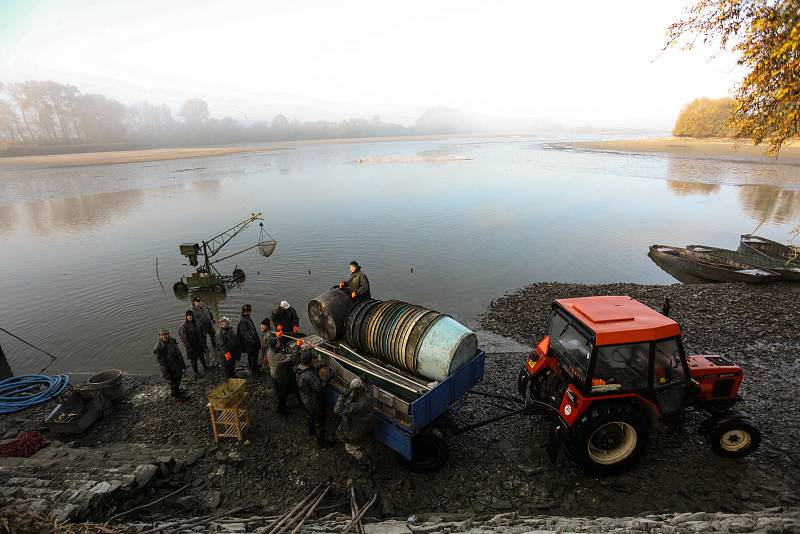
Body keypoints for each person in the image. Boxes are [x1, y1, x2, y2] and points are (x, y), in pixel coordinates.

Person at [295, 349, 333, 448]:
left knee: (310, 416)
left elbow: (310, 369)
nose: (315, 360)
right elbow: (320, 387)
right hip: (313, 401)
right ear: (310, 361)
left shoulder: (299, 368)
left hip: (305, 398)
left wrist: (319, 366)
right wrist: (328, 378)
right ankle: (321, 442)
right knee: (319, 420)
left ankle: (311, 431)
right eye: (313, 359)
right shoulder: (311, 376)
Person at [334, 378, 374, 461]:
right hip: (368, 428)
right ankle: (369, 455)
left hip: (358, 431)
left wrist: (343, 396)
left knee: (349, 447)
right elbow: (370, 388)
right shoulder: (369, 397)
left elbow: (337, 409)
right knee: (367, 443)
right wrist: (367, 381)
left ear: (356, 391)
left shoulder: (355, 406)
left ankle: (364, 460)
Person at [265, 331, 298, 414]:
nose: (279, 343)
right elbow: (291, 357)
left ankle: (282, 406)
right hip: (279, 377)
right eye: (278, 342)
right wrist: (297, 346)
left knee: (282, 393)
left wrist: (278, 337)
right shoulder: (275, 356)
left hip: (276, 374)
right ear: (274, 345)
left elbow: (271, 339)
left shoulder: (270, 348)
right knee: (282, 395)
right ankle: (281, 410)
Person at [154, 329, 188, 402]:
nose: (164, 336)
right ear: (159, 336)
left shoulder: (172, 340)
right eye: (162, 335)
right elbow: (161, 362)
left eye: (165, 334)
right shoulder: (159, 347)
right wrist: (165, 373)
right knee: (173, 382)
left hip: (177, 364)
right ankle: (177, 397)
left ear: (168, 334)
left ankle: (176, 392)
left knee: (178, 378)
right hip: (169, 368)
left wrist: (182, 364)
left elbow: (178, 352)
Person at [178, 310, 210, 376]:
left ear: (192, 316)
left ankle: (205, 367)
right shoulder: (184, 326)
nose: (189, 317)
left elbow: (202, 333)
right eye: (188, 316)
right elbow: (184, 339)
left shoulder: (197, 323)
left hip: (199, 344)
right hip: (191, 346)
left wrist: (204, 343)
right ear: (186, 317)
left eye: (191, 316)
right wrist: (188, 347)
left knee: (202, 357)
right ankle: (196, 372)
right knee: (193, 360)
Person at [237, 304, 261, 375]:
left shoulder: (246, 318)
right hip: (249, 343)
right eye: (249, 311)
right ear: (247, 311)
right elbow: (245, 334)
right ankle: (253, 369)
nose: (250, 312)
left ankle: (255, 366)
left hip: (251, 341)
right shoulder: (243, 321)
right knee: (252, 355)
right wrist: (253, 341)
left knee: (254, 355)